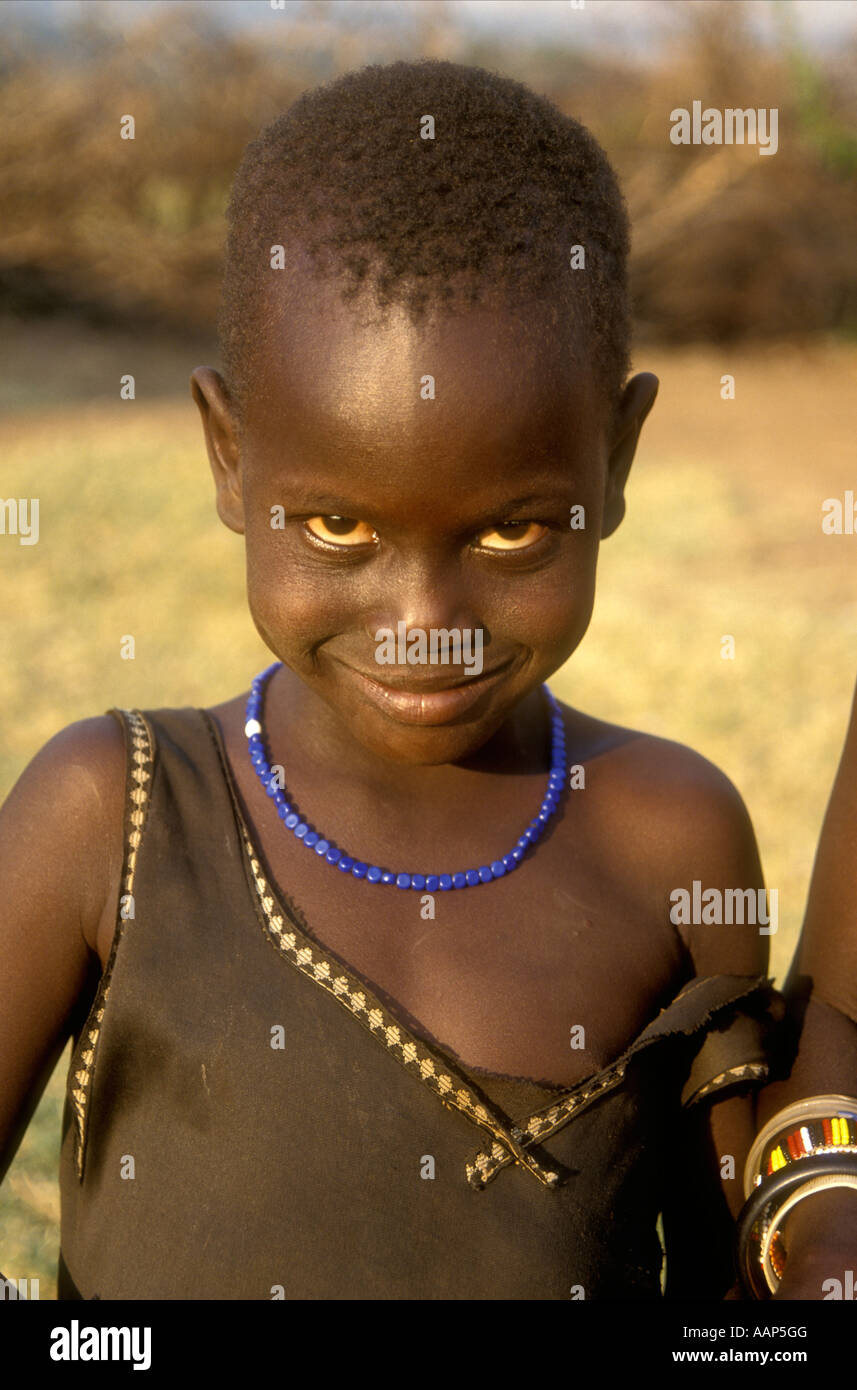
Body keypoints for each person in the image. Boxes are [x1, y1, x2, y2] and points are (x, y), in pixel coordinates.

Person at [0, 59, 812, 1300]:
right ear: (230, 458)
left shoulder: (674, 840)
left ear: (617, 456)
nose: (424, 624)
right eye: (335, 529)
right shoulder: (106, 816)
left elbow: (724, 1303)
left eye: (508, 534)